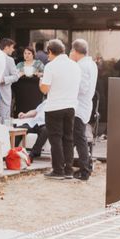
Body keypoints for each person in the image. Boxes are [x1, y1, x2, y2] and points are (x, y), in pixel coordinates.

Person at [40, 39, 81, 180]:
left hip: (55, 107)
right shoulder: (75, 66)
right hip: (71, 106)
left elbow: (45, 89)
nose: (47, 56)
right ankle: (68, 170)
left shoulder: (50, 66)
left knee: (55, 139)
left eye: (48, 53)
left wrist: (40, 82)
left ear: (51, 51)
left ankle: (58, 170)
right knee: (68, 138)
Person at [69, 39, 98, 181]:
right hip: (85, 105)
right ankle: (85, 166)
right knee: (78, 138)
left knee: (79, 139)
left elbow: (83, 87)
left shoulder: (81, 66)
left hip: (79, 105)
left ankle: (85, 170)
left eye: (71, 51)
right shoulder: (91, 64)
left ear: (75, 51)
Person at [13, 46, 45, 113]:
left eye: (29, 53)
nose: (26, 55)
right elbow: (15, 75)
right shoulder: (20, 65)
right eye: (25, 53)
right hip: (22, 91)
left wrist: (40, 74)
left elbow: (45, 73)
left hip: (35, 91)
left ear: (33, 54)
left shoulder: (38, 63)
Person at [0, 38, 19, 121]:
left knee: (4, 119)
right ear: (6, 47)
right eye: (12, 47)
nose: (13, 50)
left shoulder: (9, 60)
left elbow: (16, 76)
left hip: (4, 92)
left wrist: (4, 80)